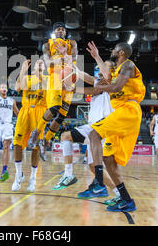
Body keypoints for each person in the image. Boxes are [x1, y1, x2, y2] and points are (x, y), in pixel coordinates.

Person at [85, 41, 146, 212]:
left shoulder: (128, 65)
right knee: (108, 158)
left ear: (120, 52)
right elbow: (106, 75)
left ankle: (98, 182)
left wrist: (100, 87)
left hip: (129, 109)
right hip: (120, 111)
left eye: (113, 49)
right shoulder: (116, 70)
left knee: (93, 134)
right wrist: (96, 56)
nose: (111, 51)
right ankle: (126, 199)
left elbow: (117, 86)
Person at [51, 60, 122, 206]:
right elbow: (90, 82)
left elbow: (94, 86)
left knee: (65, 136)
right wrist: (73, 70)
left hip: (103, 126)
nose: (99, 69)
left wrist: (76, 80)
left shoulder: (112, 82)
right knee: (93, 167)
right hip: (94, 127)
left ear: (112, 69)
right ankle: (119, 193)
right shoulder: (99, 83)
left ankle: (69, 174)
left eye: (104, 66)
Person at [27, 22, 78, 159]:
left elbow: (74, 58)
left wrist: (63, 57)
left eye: (63, 29)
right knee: (54, 108)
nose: (60, 31)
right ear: (54, 32)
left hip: (68, 77)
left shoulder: (72, 43)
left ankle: (46, 141)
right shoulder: (46, 45)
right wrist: (62, 57)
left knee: (61, 116)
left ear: (65, 33)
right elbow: (47, 62)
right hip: (54, 76)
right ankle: (36, 133)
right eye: (58, 29)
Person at [12, 59, 48, 192]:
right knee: (17, 143)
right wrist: (22, 69)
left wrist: (38, 75)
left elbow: (47, 89)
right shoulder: (27, 77)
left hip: (40, 112)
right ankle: (18, 174)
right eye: (37, 62)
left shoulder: (48, 79)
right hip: (25, 110)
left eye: (41, 62)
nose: (39, 63)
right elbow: (17, 88)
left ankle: (33, 178)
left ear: (44, 67)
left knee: (36, 146)